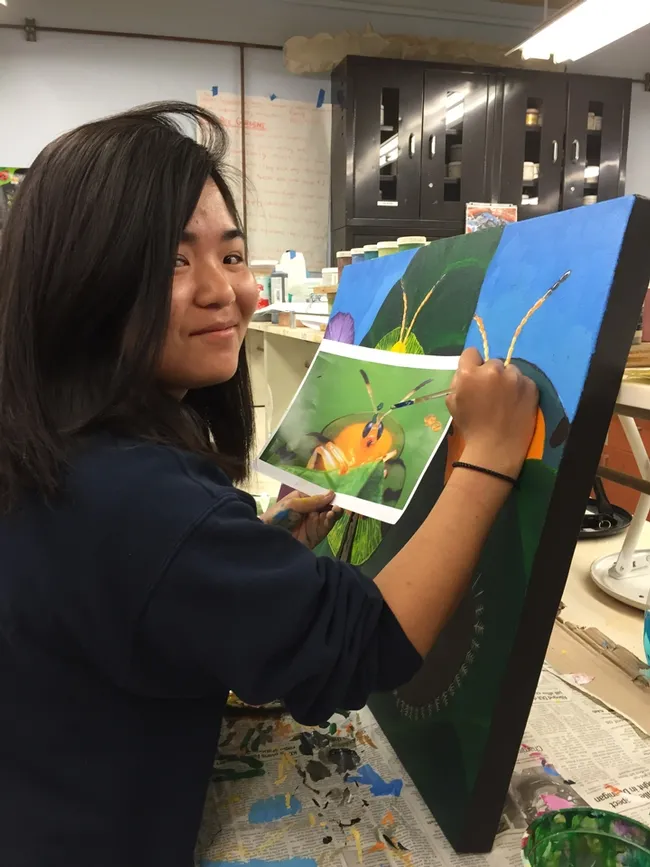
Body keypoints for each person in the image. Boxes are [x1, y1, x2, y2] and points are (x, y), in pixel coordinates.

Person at [0, 102, 538, 866]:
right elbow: (367, 644)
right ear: (82, 281)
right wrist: (488, 458)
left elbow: (137, 590)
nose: (224, 290)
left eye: (231, 253)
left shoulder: (55, 442)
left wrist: (243, 560)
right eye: (174, 262)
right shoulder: (138, 500)